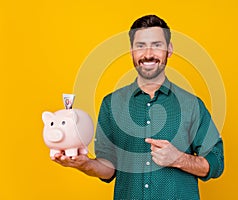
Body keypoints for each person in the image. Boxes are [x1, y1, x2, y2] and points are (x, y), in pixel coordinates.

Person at [53, 15, 224, 199]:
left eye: (157, 45)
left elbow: (216, 162)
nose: (148, 54)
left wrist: (179, 159)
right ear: (131, 51)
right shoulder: (111, 104)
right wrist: (84, 164)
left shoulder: (192, 105)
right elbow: (109, 169)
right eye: (140, 46)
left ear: (169, 49)